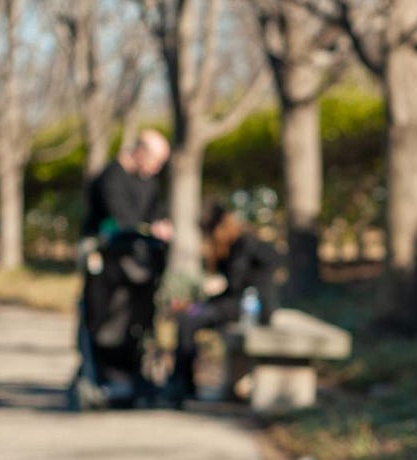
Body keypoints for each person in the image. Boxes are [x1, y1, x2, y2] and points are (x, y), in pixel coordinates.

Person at [78, 129, 173, 405]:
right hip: (109, 265)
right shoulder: (110, 178)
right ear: (140, 152)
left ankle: (133, 375)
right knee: (103, 321)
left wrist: (163, 227)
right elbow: (120, 219)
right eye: (155, 161)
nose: (156, 169)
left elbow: (157, 213)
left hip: (141, 266)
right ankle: (102, 375)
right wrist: (147, 229)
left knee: (139, 321)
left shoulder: (149, 183)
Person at [162, 202, 282, 408]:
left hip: (252, 308)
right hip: (238, 304)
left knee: (190, 321)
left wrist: (205, 301)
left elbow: (236, 284)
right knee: (188, 317)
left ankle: (181, 386)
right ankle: (182, 383)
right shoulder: (235, 245)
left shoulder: (245, 244)